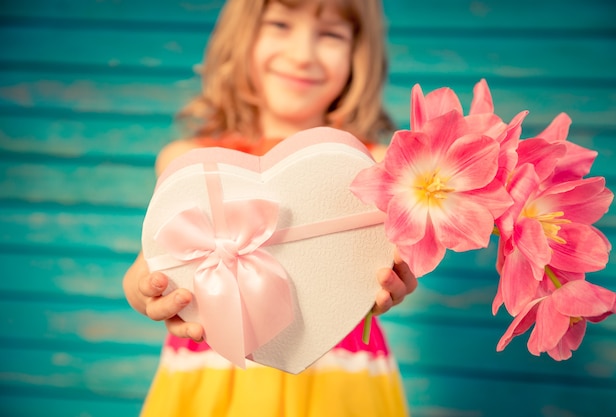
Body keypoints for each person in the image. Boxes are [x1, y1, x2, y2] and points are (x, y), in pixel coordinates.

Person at [123, 0, 417, 415]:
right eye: (280, 24)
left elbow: (389, 264)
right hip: (212, 374)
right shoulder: (190, 162)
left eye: (330, 34)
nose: (302, 54)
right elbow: (149, 267)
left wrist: (392, 279)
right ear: (240, 39)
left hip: (340, 376)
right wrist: (149, 294)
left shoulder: (378, 168)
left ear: (359, 55)